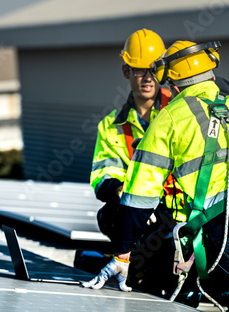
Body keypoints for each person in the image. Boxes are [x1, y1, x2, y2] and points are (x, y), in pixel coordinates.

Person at [83, 40, 229, 312]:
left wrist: (123, 256)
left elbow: (139, 199)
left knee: (191, 250)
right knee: (194, 232)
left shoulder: (169, 118)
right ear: (212, 73)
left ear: (172, 84)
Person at [86, 28, 187, 299]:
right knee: (110, 215)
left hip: (185, 213)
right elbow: (104, 174)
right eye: (139, 70)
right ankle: (140, 275)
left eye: (154, 69)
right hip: (142, 214)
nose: (147, 78)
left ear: (163, 71)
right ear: (126, 71)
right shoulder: (111, 126)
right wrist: (123, 193)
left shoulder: (182, 110)